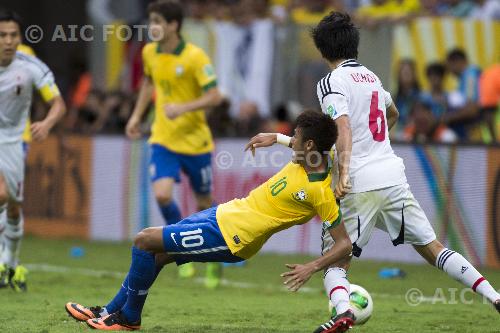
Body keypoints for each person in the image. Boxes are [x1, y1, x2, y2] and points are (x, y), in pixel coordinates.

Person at [247, 12, 500, 333]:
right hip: (392, 176)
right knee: (434, 249)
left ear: (322, 51)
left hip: (359, 183)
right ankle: (494, 295)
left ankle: (342, 314)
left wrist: (345, 172)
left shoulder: (330, 81)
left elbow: (341, 126)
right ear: (355, 46)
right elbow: (391, 112)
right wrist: (374, 144)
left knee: (336, 263)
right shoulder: (372, 78)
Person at [65, 110, 353, 331]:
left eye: (296, 137)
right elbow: (311, 146)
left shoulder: (319, 191)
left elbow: (344, 245)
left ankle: (129, 319)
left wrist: (312, 267)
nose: (293, 141)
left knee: (144, 240)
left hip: (234, 236)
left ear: (311, 144)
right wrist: (276, 138)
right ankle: (106, 312)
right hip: (225, 213)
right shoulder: (311, 157)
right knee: (157, 253)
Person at [125, 0, 223, 287]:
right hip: (163, 139)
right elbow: (147, 83)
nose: (152, 27)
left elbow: (215, 96)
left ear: (173, 25)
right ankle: (180, 246)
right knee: (164, 195)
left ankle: (214, 259)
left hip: (196, 144)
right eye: (151, 21)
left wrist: (184, 108)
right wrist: (135, 116)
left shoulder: (195, 57)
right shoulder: (149, 52)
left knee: (205, 206)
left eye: (157, 22)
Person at [0, 9, 66, 291]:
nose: (8, 41)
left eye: (14, 35)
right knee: (1, 195)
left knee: (13, 207)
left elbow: (59, 104)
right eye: (2, 35)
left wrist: (47, 123)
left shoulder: (29, 65)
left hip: (14, 141)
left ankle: (11, 265)